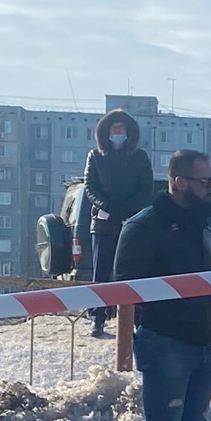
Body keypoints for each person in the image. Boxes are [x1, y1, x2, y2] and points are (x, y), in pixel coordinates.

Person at [113, 150, 211, 421]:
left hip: (203, 342)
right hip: (166, 344)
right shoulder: (145, 226)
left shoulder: (201, 224)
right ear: (180, 182)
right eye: (205, 181)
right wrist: (177, 309)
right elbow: (125, 286)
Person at [83, 109, 154, 338]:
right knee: (101, 273)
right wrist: (107, 206)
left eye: (121, 128)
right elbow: (90, 187)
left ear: (128, 132)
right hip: (103, 222)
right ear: (105, 132)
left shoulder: (140, 157)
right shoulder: (95, 156)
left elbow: (146, 189)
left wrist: (128, 209)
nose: (117, 132)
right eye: (113, 128)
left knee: (133, 273)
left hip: (132, 222)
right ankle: (98, 317)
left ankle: (137, 320)